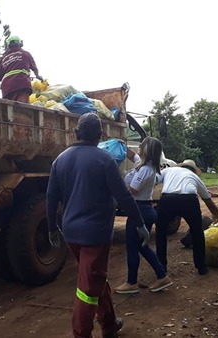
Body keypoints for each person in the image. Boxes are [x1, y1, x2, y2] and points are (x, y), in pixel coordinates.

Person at [46, 113, 148, 338]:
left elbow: (51, 198)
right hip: (96, 235)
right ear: (100, 135)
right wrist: (140, 223)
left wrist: (52, 227)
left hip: (71, 233)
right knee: (87, 290)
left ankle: (109, 324)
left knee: (94, 277)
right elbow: (124, 196)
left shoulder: (59, 160)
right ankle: (82, 334)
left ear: (76, 133)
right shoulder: (104, 160)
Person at [114, 137, 173, 295]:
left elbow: (132, 191)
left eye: (143, 144)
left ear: (148, 150)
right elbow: (132, 155)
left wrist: (115, 182)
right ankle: (161, 276)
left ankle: (132, 282)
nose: (139, 146)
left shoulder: (146, 169)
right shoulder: (144, 163)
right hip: (143, 209)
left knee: (134, 247)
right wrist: (118, 145)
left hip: (140, 210)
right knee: (141, 246)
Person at [155, 159, 218, 275]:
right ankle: (201, 267)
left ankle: (161, 267)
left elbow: (153, 181)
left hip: (168, 198)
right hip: (189, 199)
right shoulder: (195, 178)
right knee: (197, 233)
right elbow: (210, 204)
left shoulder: (168, 170)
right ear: (193, 170)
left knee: (160, 233)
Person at [0, 35, 42, 103]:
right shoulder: (25, 54)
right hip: (21, 84)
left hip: (7, 89)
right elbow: (34, 68)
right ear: (20, 43)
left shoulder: (3, 59)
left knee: (8, 108)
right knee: (22, 109)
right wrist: (38, 76)